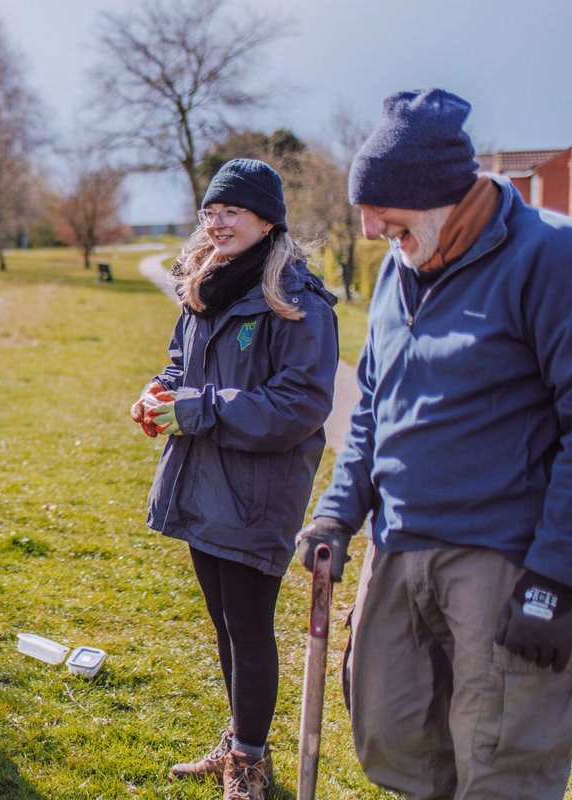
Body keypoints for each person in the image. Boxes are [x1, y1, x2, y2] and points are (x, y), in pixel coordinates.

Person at [297, 88, 572, 799]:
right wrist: (336, 511)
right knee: (395, 737)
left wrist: (554, 577)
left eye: (380, 205)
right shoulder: (399, 267)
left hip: (500, 558)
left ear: (434, 193)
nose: (365, 225)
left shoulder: (548, 257)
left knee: (500, 756)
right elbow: (373, 410)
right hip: (399, 546)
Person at [131, 158, 339, 800]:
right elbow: (181, 362)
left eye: (231, 213)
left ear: (266, 220)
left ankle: (249, 764)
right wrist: (160, 391)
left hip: (258, 494)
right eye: (209, 212)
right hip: (202, 481)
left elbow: (302, 404)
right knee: (224, 624)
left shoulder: (296, 301)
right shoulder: (205, 283)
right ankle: (238, 739)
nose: (216, 224)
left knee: (248, 627)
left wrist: (198, 410)